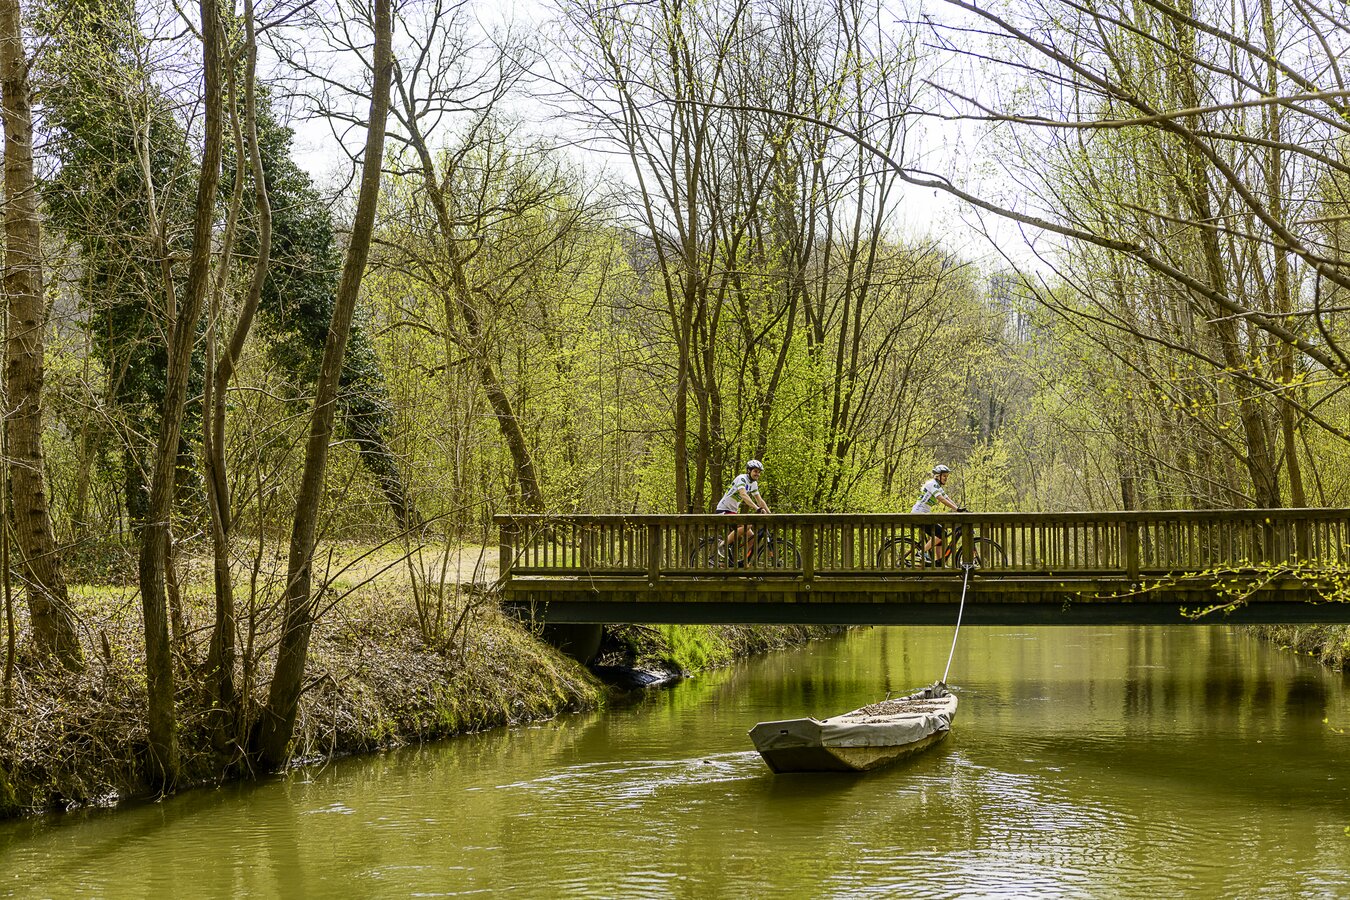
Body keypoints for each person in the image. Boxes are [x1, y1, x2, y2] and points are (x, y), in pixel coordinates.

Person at [716, 459, 771, 563]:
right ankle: (722, 544)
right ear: (749, 471)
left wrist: (770, 514)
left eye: (759, 472)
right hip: (723, 510)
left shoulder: (753, 484)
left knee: (752, 538)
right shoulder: (741, 478)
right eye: (755, 471)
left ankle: (744, 563)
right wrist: (757, 508)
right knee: (748, 524)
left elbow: (760, 500)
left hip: (733, 512)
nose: (757, 474)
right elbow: (743, 495)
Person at [913, 464, 962, 563]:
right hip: (919, 514)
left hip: (923, 514)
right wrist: (956, 509)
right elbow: (941, 499)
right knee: (942, 534)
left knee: (940, 536)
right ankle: (921, 553)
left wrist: (958, 508)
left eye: (947, 476)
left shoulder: (937, 486)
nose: (946, 478)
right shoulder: (932, 484)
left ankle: (939, 562)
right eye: (944, 476)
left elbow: (947, 498)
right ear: (937, 476)